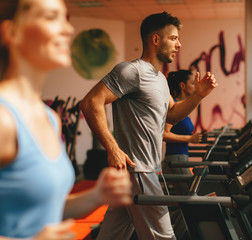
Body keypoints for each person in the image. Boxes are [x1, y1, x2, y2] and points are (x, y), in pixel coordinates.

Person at [0, 0, 132, 239]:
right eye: (51, 17)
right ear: (12, 32)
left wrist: (96, 196)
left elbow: (41, 209)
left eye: (65, 18)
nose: (68, 29)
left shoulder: (49, 118)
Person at [80, 11, 217, 240]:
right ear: (155, 39)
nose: (179, 44)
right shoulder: (131, 71)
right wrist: (113, 148)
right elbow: (91, 102)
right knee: (163, 236)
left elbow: (171, 116)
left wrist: (198, 96)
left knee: (111, 236)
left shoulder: (160, 79)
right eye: (173, 38)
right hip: (139, 170)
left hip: (145, 170)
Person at [162, 70, 202, 195]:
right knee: (191, 198)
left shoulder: (184, 107)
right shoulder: (174, 106)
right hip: (175, 159)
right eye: (192, 83)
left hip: (181, 158)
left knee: (185, 201)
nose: (195, 86)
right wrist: (190, 139)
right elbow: (164, 134)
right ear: (182, 86)